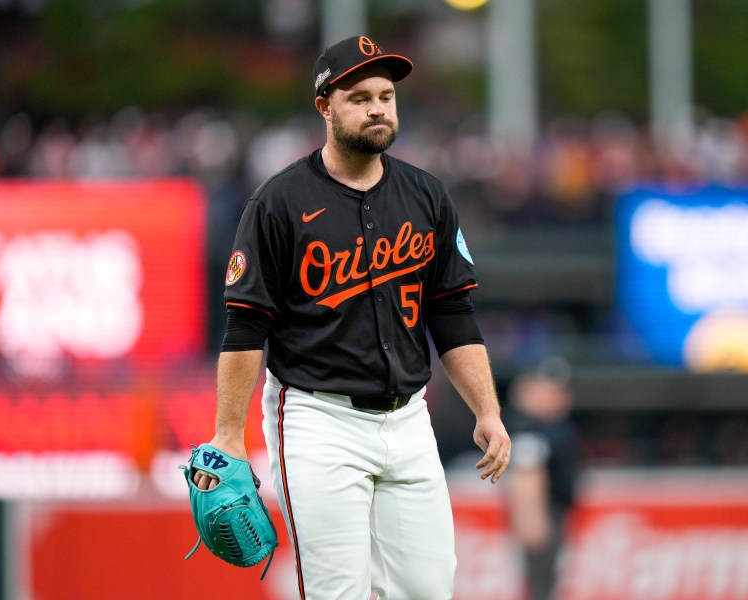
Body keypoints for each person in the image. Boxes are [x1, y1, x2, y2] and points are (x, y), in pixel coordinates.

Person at [192, 35, 511, 599]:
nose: (377, 108)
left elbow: (453, 313)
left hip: (409, 419)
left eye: (386, 96)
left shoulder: (426, 196)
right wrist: (228, 435)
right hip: (318, 420)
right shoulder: (278, 203)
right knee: (338, 592)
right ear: (325, 106)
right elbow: (246, 326)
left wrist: (487, 409)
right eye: (359, 97)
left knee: (429, 589)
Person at [503, 363, 580, 600]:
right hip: (546, 514)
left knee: (546, 581)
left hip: (554, 513)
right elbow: (527, 474)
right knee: (541, 583)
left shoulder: (551, 425)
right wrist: (530, 515)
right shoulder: (532, 428)